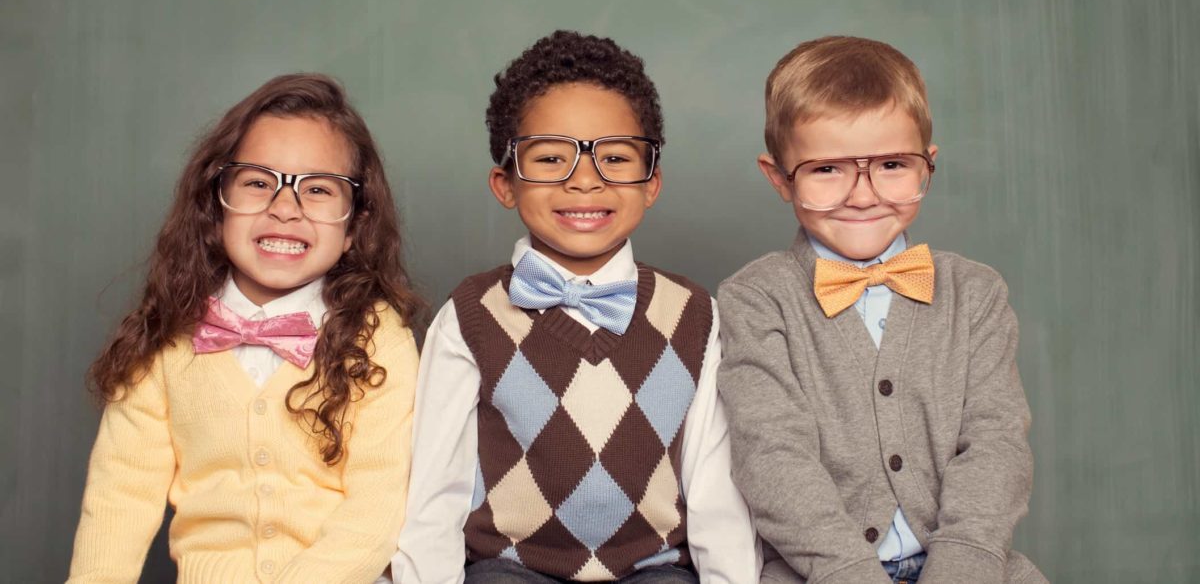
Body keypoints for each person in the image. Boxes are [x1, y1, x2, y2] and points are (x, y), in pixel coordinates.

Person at [392, 31, 758, 583]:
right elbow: (436, 492)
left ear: (651, 182)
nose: (584, 180)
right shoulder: (471, 314)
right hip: (509, 567)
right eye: (550, 158)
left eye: (614, 156)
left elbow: (714, 490)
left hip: (653, 570)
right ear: (505, 183)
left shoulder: (693, 314)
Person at [68, 73, 425, 583]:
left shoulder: (379, 337)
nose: (285, 208)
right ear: (215, 209)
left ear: (354, 227)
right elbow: (119, 497)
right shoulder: (165, 337)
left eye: (318, 189)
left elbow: (379, 504)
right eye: (258, 182)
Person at [718, 36, 1047, 584]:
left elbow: (997, 442)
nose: (864, 195)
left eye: (892, 164)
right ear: (779, 177)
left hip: (967, 564)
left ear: (927, 167)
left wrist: (961, 565)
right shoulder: (756, 298)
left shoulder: (976, 293)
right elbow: (772, 457)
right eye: (827, 170)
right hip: (819, 572)